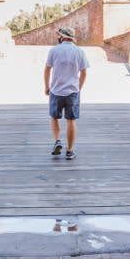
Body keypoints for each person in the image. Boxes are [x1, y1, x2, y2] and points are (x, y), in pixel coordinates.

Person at [44, 26, 89, 160]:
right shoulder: (79, 51)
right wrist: (79, 87)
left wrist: (47, 87)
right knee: (71, 121)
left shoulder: (54, 50)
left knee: (54, 117)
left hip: (56, 90)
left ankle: (57, 140)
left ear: (62, 37)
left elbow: (47, 69)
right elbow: (84, 72)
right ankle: (69, 151)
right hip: (72, 91)